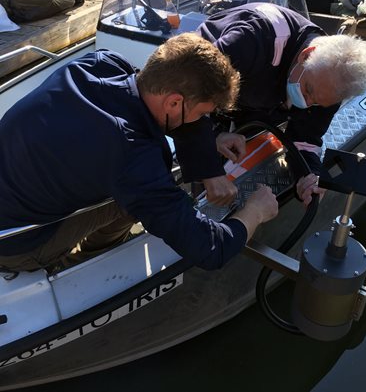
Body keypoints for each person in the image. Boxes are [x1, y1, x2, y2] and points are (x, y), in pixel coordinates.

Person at [0, 33, 278, 273]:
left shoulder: (100, 63)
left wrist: (210, 145)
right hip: (14, 245)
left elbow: (147, 109)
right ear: (174, 102)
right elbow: (211, 249)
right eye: (202, 114)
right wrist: (254, 212)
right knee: (129, 202)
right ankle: (85, 265)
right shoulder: (133, 155)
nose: (200, 123)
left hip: (14, 189)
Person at [173, 2, 366, 207]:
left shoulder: (330, 84)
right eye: (308, 91)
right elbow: (184, 94)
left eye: (317, 103)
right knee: (203, 169)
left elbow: (305, 138)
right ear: (306, 56)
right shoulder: (253, 38)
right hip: (198, 83)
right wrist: (209, 151)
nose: (306, 104)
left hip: (255, 102)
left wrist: (309, 176)